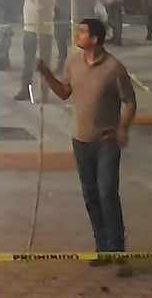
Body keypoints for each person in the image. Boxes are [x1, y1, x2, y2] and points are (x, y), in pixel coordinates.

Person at [36, 17, 136, 257]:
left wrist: (122, 128)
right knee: (90, 194)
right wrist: (46, 73)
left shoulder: (114, 68)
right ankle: (101, 247)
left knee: (107, 193)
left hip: (106, 141)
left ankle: (117, 249)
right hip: (80, 139)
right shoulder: (73, 62)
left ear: (94, 39)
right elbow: (64, 92)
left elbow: (130, 101)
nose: (76, 35)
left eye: (82, 32)